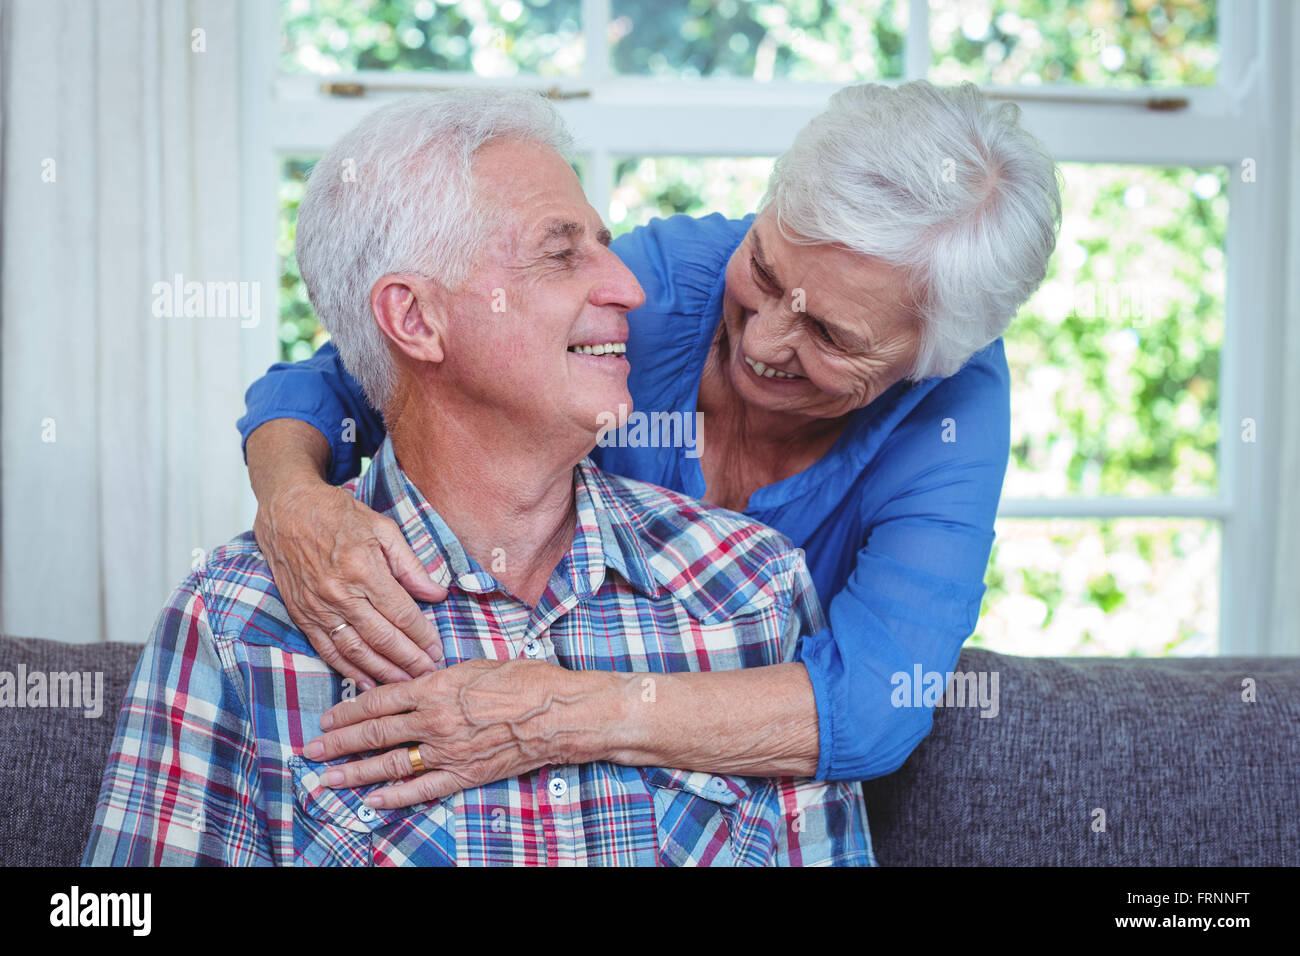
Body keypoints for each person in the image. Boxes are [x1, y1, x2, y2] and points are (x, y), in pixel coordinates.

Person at [84, 90, 872, 866]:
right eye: (561, 253)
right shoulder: (239, 622)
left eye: (604, 245)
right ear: (417, 320)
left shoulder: (751, 587)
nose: (629, 289)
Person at [240, 80, 1062, 785]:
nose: (767, 343)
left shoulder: (949, 405)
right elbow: (372, 358)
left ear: (927, 360)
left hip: (734, 781)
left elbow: (875, 705)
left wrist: (551, 711)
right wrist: (290, 495)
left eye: (834, 339)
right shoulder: (657, 286)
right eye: (766, 274)